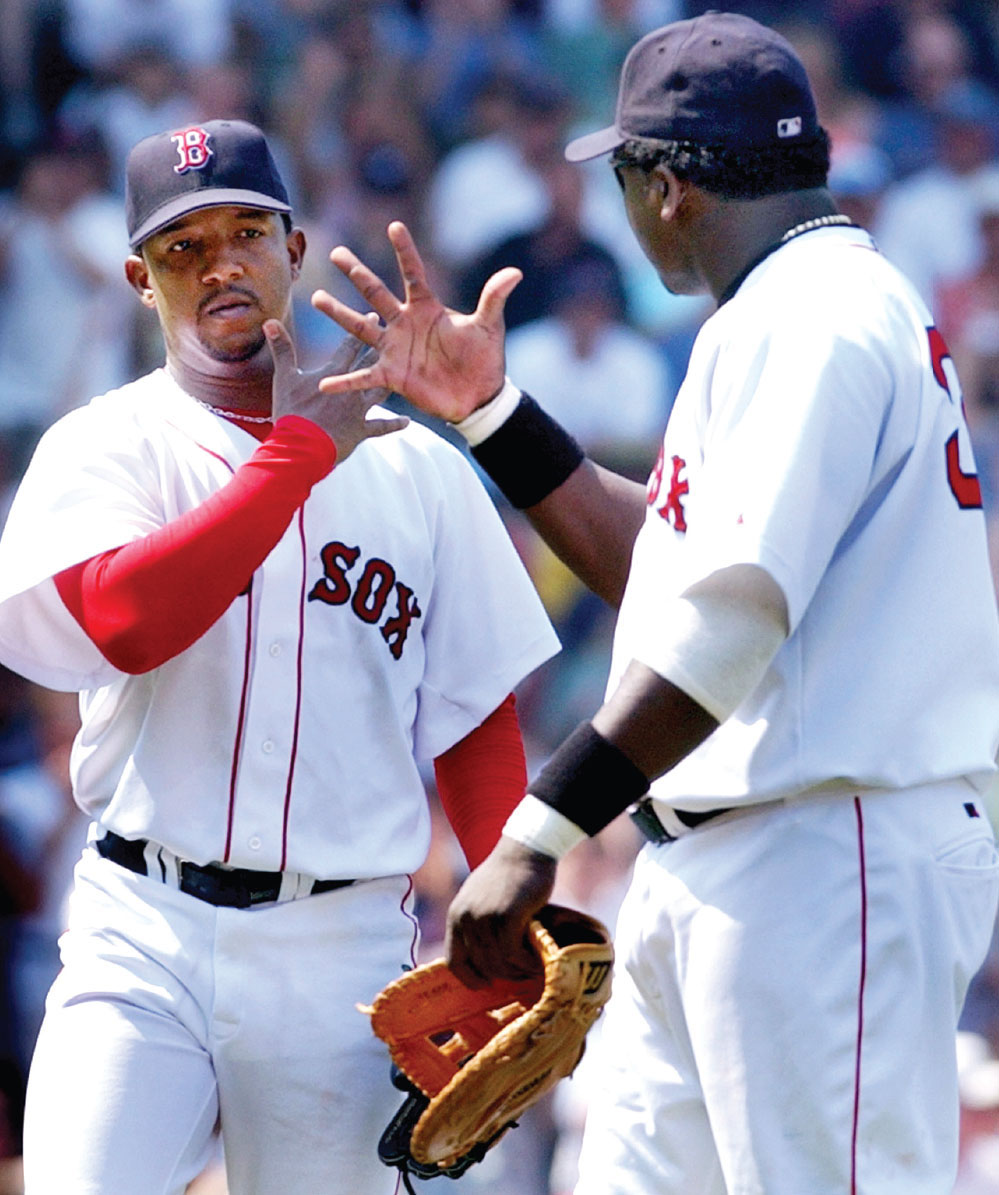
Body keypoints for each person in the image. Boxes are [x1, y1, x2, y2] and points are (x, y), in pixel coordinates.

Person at [310, 13, 999, 1194]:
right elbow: (673, 574)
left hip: (832, 850)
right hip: (729, 854)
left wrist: (541, 834)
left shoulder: (812, 316)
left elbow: (724, 627)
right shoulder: (796, 306)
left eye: (626, 174)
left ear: (670, 186)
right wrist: (491, 414)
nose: (627, 205)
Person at [0, 118, 559, 1194]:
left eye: (245, 233)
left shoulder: (424, 477)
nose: (220, 265)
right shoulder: (108, 445)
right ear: (137, 278)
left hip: (341, 949)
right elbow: (128, 621)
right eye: (182, 247)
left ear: (293, 250)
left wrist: (504, 923)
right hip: (143, 927)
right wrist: (296, 459)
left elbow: (478, 721)